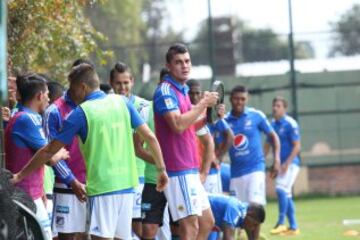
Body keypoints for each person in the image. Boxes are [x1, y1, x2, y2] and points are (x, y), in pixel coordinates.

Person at [11, 64, 168, 240]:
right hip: (127, 187)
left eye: (71, 88)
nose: (68, 93)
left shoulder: (81, 113)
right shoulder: (122, 102)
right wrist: (162, 170)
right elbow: (150, 137)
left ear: (82, 87)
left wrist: (19, 175)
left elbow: (48, 151)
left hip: (102, 189)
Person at [153, 43, 218, 239]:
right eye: (179, 62)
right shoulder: (165, 91)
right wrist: (204, 104)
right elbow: (178, 125)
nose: (185, 65)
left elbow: (188, 126)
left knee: (207, 223)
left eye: (187, 61)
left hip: (190, 168)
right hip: (177, 168)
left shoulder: (182, 89)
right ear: (169, 65)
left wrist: (208, 117)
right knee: (190, 227)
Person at [5, 73, 69, 240]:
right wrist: (60, 152)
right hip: (25, 196)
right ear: (40, 96)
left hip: (32, 194)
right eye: (47, 94)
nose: (49, 99)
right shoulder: (27, 119)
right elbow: (50, 157)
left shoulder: (24, 116)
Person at [43, 59, 91, 240]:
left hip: (95, 184)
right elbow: (51, 153)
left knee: (91, 235)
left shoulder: (95, 106)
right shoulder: (54, 111)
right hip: (66, 185)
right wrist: (72, 181)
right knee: (68, 237)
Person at [224, 85, 281, 238]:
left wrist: (276, 160)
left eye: (243, 99)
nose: (239, 102)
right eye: (236, 98)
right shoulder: (224, 120)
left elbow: (273, 137)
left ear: (247, 99)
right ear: (230, 99)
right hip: (235, 174)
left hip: (255, 169)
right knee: (237, 212)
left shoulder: (256, 115)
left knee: (255, 208)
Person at [109, 61, 152, 238]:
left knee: (140, 226)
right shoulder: (106, 105)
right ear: (111, 83)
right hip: (115, 176)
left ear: (132, 81)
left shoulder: (144, 106)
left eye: (126, 82)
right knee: (120, 230)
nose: (122, 87)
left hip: (139, 175)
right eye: (118, 83)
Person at [138, 69, 171, 240]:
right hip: (153, 180)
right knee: (148, 230)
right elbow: (137, 147)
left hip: (178, 178)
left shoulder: (185, 109)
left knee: (182, 229)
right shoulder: (146, 110)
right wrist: (160, 163)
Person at [265, 96, 301, 236]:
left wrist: (287, 163)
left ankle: (280, 223)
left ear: (284, 108)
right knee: (286, 194)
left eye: (278, 106)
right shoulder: (271, 124)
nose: (275, 108)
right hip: (279, 166)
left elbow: (297, 146)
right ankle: (293, 227)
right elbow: (267, 145)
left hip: (291, 164)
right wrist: (261, 161)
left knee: (281, 189)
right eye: (274, 105)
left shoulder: (291, 123)